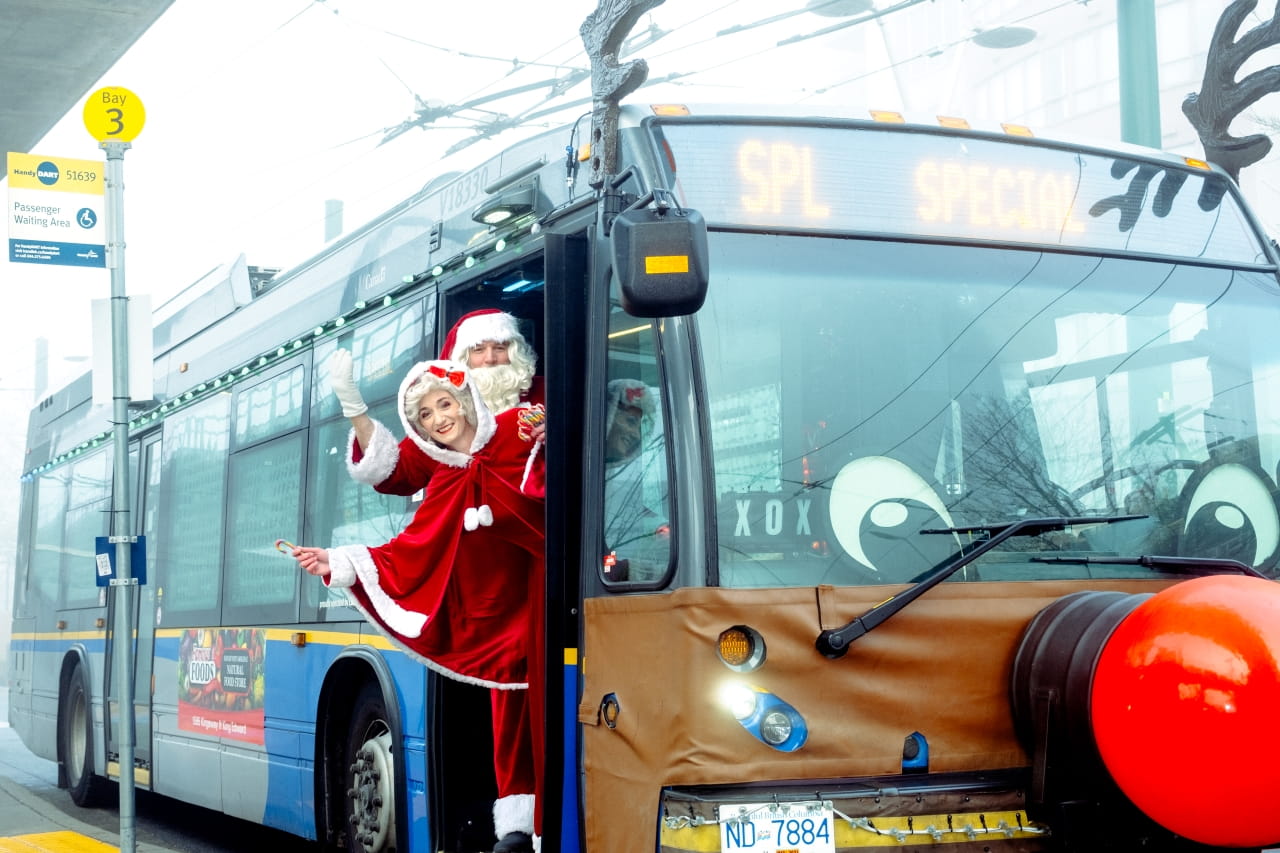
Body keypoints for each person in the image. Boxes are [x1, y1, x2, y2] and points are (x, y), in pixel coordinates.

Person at [292, 360, 546, 853]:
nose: (438, 419)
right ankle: (523, 824)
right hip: (500, 622)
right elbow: (409, 549)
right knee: (514, 720)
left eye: (444, 405)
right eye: (425, 415)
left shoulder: (521, 429)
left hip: (556, 602)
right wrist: (335, 559)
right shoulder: (446, 478)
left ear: (466, 400)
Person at [331, 308, 545, 496]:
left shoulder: (547, 392)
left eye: (499, 348)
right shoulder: (445, 419)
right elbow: (394, 472)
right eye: (478, 350)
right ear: (463, 359)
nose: (490, 359)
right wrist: (354, 408)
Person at [601, 379, 670, 581]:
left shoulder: (611, 479)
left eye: (639, 426)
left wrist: (662, 529)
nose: (634, 433)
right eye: (630, 422)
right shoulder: (581, 475)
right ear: (607, 416)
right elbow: (604, 568)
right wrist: (628, 569)